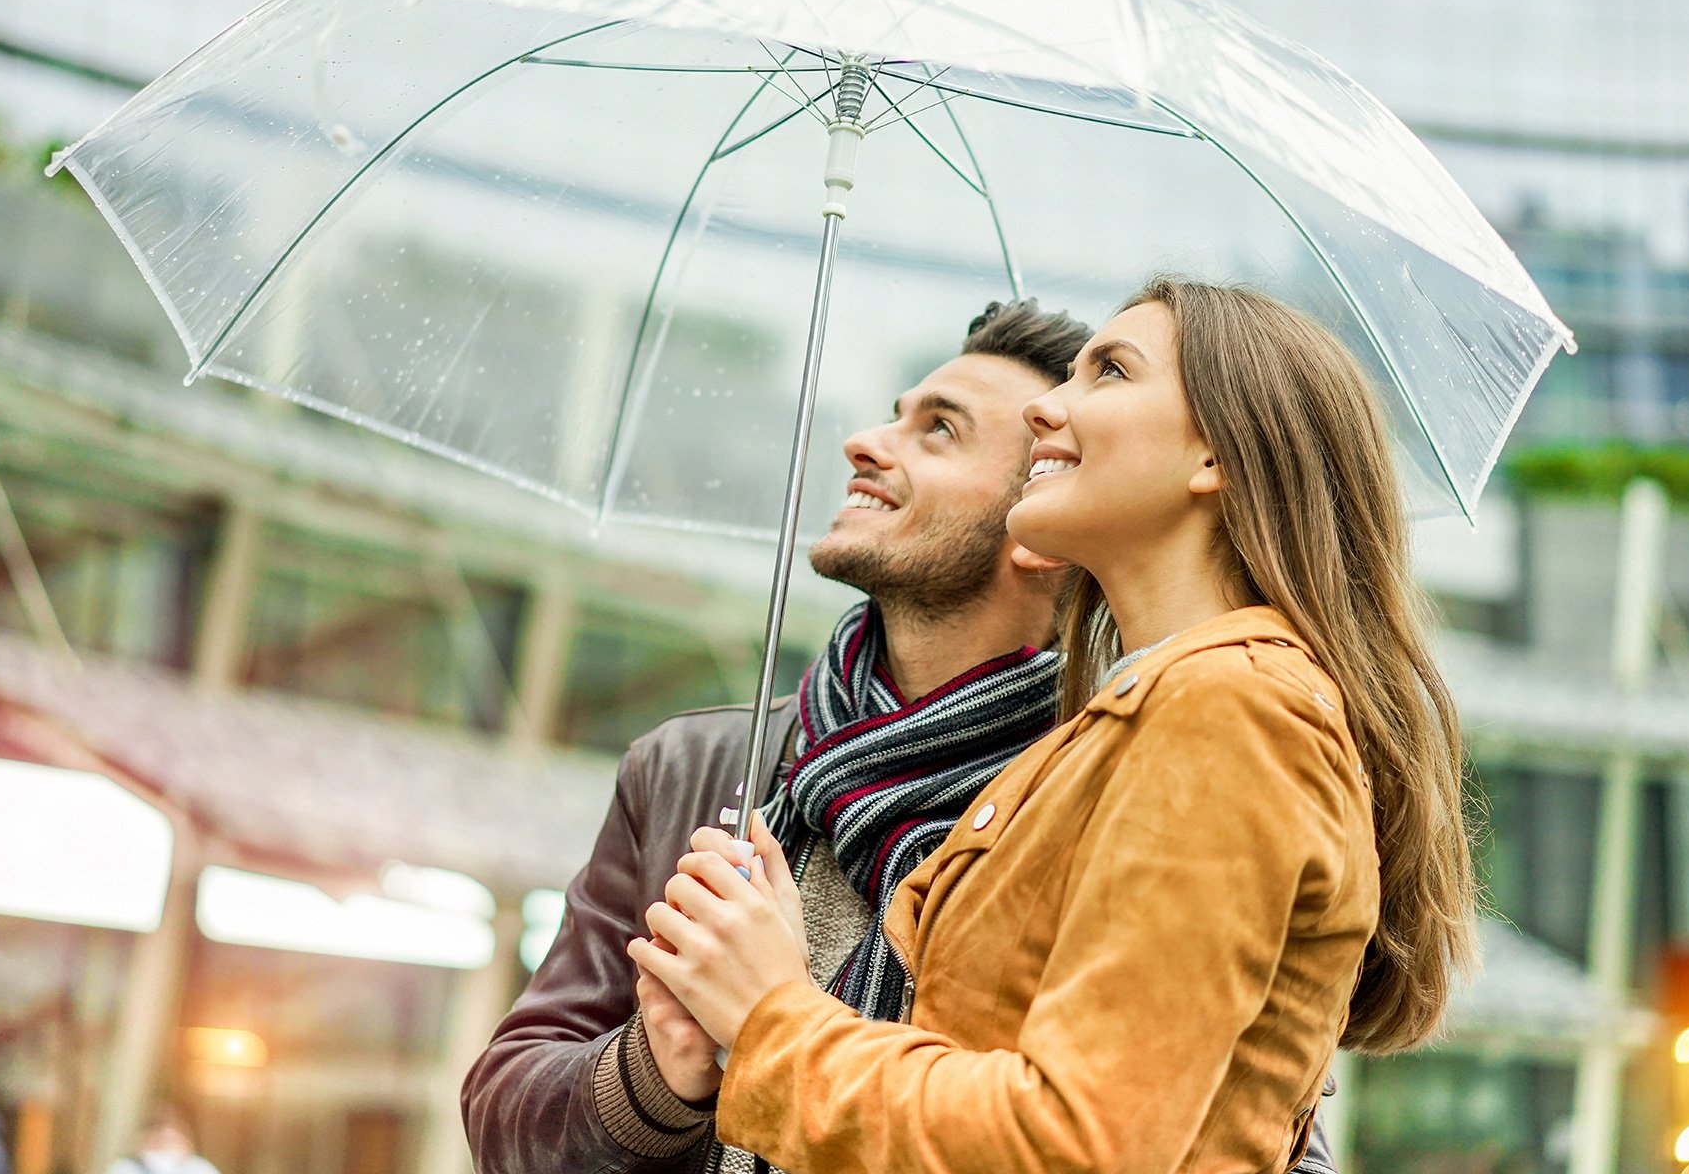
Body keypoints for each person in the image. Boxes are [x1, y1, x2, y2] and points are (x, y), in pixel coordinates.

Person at [460, 297, 1338, 1174]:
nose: (867, 442)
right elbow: (505, 1112)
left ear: (1039, 513)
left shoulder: (1128, 772)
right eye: (896, 413)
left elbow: (1226, 1134)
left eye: (939, 431)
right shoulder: (700, 766)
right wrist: (658, 1072)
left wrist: (767, 1018)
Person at [635, 277, 1478, 1174]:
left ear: (1216, 459)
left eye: (1109, 372)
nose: (1046, 408)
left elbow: (1077, 1145)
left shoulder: (1231, 708)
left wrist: (771, 1014)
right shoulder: (1128, 719)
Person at [103, 1105, 221, 1174]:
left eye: (174, 1140)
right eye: (162, 1140)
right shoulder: (126, 1167)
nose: (169, 1147)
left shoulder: (201, 1168)